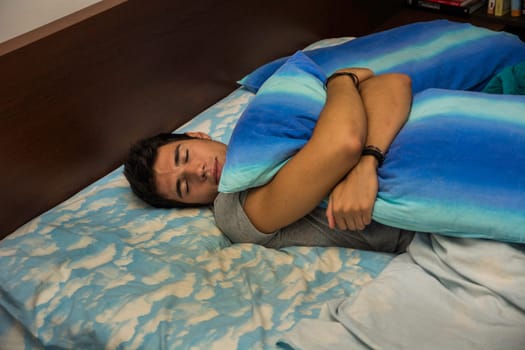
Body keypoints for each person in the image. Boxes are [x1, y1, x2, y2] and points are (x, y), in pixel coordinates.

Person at [124, 68, 415, 252]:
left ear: (198, 136)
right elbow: (343, 145)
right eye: (184, 187)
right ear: (188, 206)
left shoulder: (260, 128)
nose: (197, 171)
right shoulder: (233, 212)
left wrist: (367, 164)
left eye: (184, 156)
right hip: (422, 227)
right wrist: (340, 81)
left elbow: (394, 83)